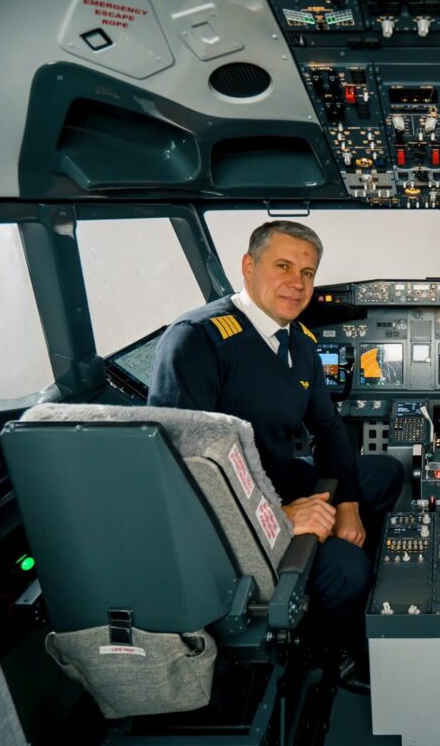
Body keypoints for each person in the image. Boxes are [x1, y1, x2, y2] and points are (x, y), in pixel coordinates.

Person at [148, 220, 403, 691]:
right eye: (283, 266)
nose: (298, 282)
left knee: (385, 473)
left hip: (279, 482)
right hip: (230, 521)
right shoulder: (198, 340)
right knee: (348, 571)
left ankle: (353, 562)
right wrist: (281, 516)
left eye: (307, 272)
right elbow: (176, 471)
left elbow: (327, 430)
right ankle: (328, 646)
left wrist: (346, 505)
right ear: (248, 267)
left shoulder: (300, 343)